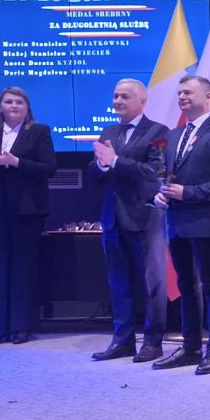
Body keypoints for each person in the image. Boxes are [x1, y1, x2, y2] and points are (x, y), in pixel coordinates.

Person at [152, 76, 210, 374]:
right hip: (176, 221)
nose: (182, 97)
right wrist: (160, 194)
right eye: (179, 93)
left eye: (188, 92)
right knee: (186, 285)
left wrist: (187, 193)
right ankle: (190, 347)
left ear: (208, 97)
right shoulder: (173, 135)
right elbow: (166, 176)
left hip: (205, 221)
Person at [88, 80, 169, 363]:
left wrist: (115, 161)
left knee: (151, 284)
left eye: (124, 96)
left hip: (144, 217)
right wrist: (101, 165)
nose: (117, 101)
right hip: (112, 218)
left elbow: (155, 172)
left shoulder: (158, 131)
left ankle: (153, 342)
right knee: (118, 282)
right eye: (115, 96)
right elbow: (95, 171)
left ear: (141, 102)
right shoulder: (109, 132)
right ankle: (122, 340)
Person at [0, 88, 56, 345]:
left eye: (19, 102)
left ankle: (21, 327)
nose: (13, 105)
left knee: (24, 268)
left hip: (27, 210)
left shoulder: (39, 131)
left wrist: (16, 162)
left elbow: (49, 168)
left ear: (27, 107)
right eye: (8, 101)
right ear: (0, 107)